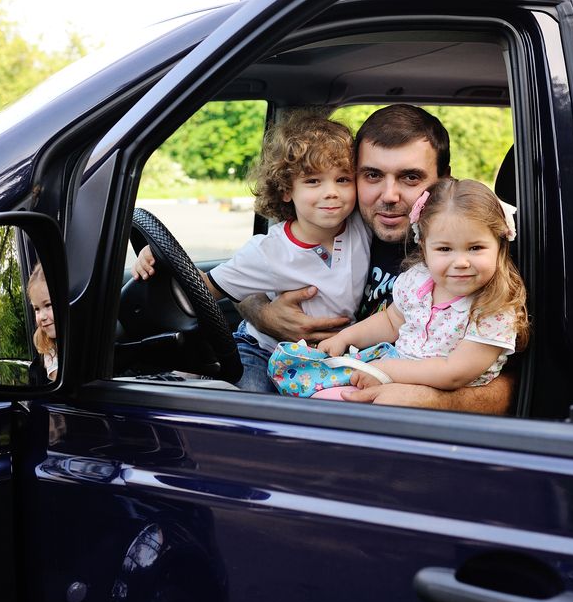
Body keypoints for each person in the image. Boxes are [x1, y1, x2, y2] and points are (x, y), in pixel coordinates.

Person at [239, 104, 517, 413]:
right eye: (372, 175)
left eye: (410, 177)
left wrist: (429, 399)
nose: (389, 196)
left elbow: (512, 387)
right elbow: (249, 274)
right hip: (319, 377)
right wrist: (263, 314)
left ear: (443, 181)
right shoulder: (333, 224)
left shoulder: (479, 260)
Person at [131, 113, 369, 392]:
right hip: (263, 349)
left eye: (343, 179)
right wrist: (159, 259)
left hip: (325, 358)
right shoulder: (267, 251)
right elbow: (201, 289)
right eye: (313, 181)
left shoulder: (361, 227)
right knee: (251, 401)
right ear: (286, 190)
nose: (332, 192)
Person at [317, 178, 529, 393]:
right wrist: (344, 338)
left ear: (500, 246)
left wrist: (385, 370)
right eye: (444, 249)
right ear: (424, 248)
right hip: (392, 375)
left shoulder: (494, 309)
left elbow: (453, 373)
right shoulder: (418, 280)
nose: (461, 262)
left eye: (475, 248)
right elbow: (390, 322)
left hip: (438, 397)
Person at [28, 263, 58, 382]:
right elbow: (57, 377)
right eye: (37, 309)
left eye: (48, 305)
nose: (41, 317)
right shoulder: (46, 345)